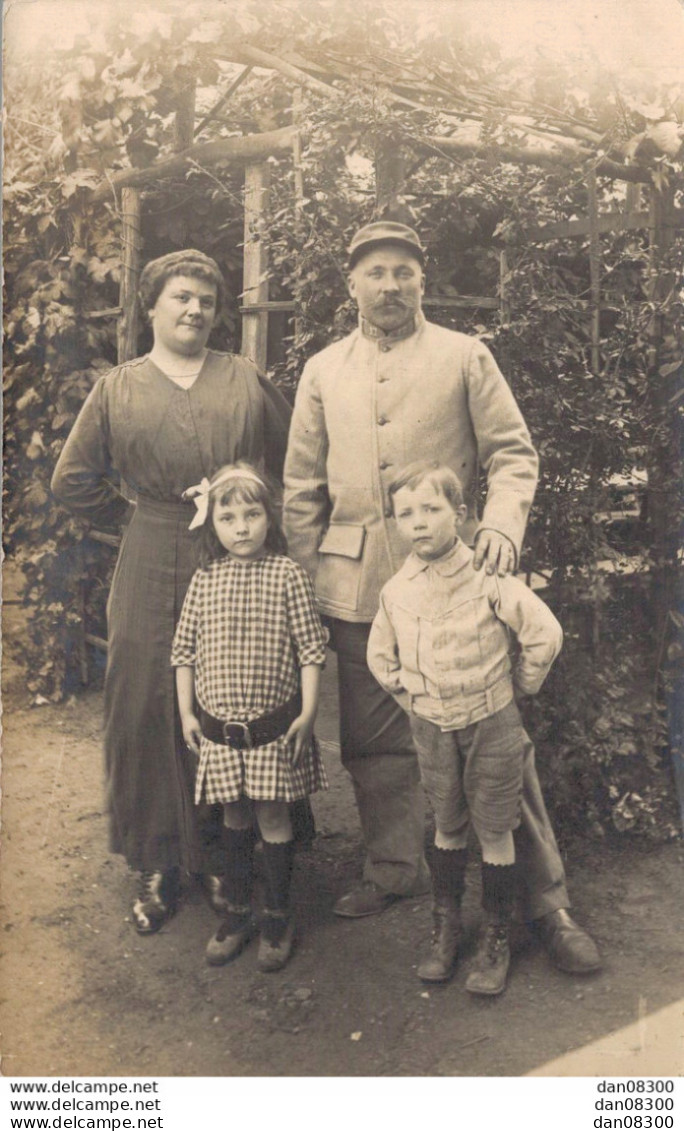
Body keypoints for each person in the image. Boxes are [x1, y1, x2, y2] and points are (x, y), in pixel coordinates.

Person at [283, 220, 601, 974]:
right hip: (357, 583)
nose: (389, 285)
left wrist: (500, 528)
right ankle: (396, 871)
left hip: (461, 586)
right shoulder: (324, 369)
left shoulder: (465, 355)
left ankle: (545, 901)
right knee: (374, 744)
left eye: (404, 272)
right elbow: (299, 489)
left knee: (496, 745)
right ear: (350, 283)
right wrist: (309, 579)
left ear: (422, 281)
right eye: (375, 272)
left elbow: (514, 454)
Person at [51, 249, 295, 934]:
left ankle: (226, 854)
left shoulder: (244, 378)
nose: (194, 310)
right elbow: (70, 480)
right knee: (146, 695)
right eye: (181, 297)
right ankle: (155, 861)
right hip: (152, 549)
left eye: (207, 301)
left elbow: (298, 456)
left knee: (234, 692)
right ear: (151, 306)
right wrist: (134, 514)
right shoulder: (118, 388)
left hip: (235, 556)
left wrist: (246, 505)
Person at [367, 461, 564, 995]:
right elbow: (380, 657)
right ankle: (446, 927)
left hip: (492, 721)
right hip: (433, 727)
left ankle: (496, 935)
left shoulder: (488, 576)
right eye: (406, 514)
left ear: (460, 514)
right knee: (448, 823)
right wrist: (410, 695)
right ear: (396, 524)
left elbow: (544, 633)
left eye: (431, 509)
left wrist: (519, 685)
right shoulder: (396, 590)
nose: (419, 523)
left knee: (496, 828)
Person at [171, 463, 328, 971]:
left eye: (252, 514)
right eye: (228, 517)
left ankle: (277, 916)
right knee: (234, 815)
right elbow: (184, 652)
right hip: (219, 730)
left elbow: (310, 650)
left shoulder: (286, 574)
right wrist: (186, 714)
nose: (241, 527)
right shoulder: (205, 578)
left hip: (271, 730)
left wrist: (307, 712)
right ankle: (238, 913)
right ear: (212, 524)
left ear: (269, 518)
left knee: (272, 814)